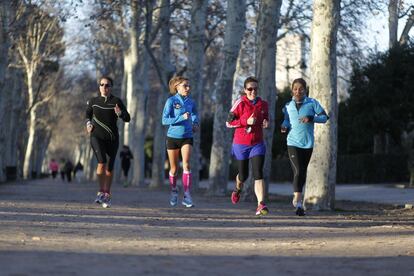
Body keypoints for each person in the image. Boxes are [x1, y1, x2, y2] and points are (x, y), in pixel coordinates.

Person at [281, 78, 329, 216]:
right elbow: (286, 120)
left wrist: (311, 118)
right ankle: (298, 200)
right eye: (295, 89)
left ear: (305, 90)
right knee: (298, 170)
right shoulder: (288, 105)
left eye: (301, 89)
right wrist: (284, 126)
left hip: (308, 144)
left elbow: (325, 117)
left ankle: (299, 204)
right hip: (292, 142)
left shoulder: (312, 103)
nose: (298, 91)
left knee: (302, 172)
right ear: (292, 90)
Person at [226, 76, 269, 216]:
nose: (253, 91)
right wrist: (246, 121)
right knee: (243, 175)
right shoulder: (240, 103)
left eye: (255, 89)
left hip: (257, 143)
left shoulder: (263, 104)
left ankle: (261, 204)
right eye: (250, 89)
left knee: (258, 173)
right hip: (241, 144)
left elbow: (265, 117)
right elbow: (228, 123)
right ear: (245, 90)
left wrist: (266, 122)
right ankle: (238, 189)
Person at [86, 76, 130, 208]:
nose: (104, 87)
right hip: (96, 136)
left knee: (110, 168)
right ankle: (100, 190)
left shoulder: (116, 101)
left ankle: (107, 193)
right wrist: (88, 123)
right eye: (102, 84)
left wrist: (120, 113)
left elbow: (127, 118)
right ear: (99, 86)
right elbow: (87, 114)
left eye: (107, 85)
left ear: (111, 87)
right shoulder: (93, 101)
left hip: (112, 138)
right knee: (101, 162)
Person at [162, 76, 199, 208]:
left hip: (187, 136)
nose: (188, 88)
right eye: (185, 86)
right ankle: (174, 190)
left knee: (187, 165)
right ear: (177, 87)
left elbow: (195, 113)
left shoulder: (191, 102)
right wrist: (180, 117)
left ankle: (187, 195)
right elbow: (164, 120)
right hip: (172, 137)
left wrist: (195, 123)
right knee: (173, 168)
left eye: (189, 86)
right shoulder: (171, 101)